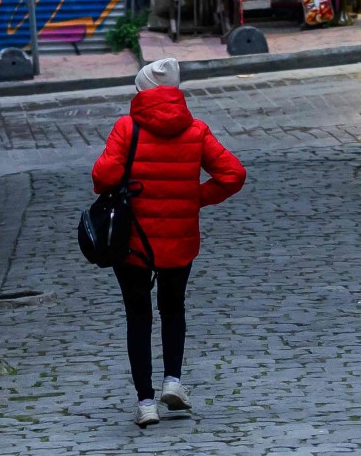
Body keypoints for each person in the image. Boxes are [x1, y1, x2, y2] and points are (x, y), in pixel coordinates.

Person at [91, 58, 247, 425]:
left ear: (141, 91)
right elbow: (233, 174)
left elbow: (102, 177)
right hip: (179, 239)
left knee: (138, 316)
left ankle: (146, 403)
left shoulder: (127, 128)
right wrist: (195, 197)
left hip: (132, 241)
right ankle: (173, 381)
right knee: (173, 309)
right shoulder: (196, 130)